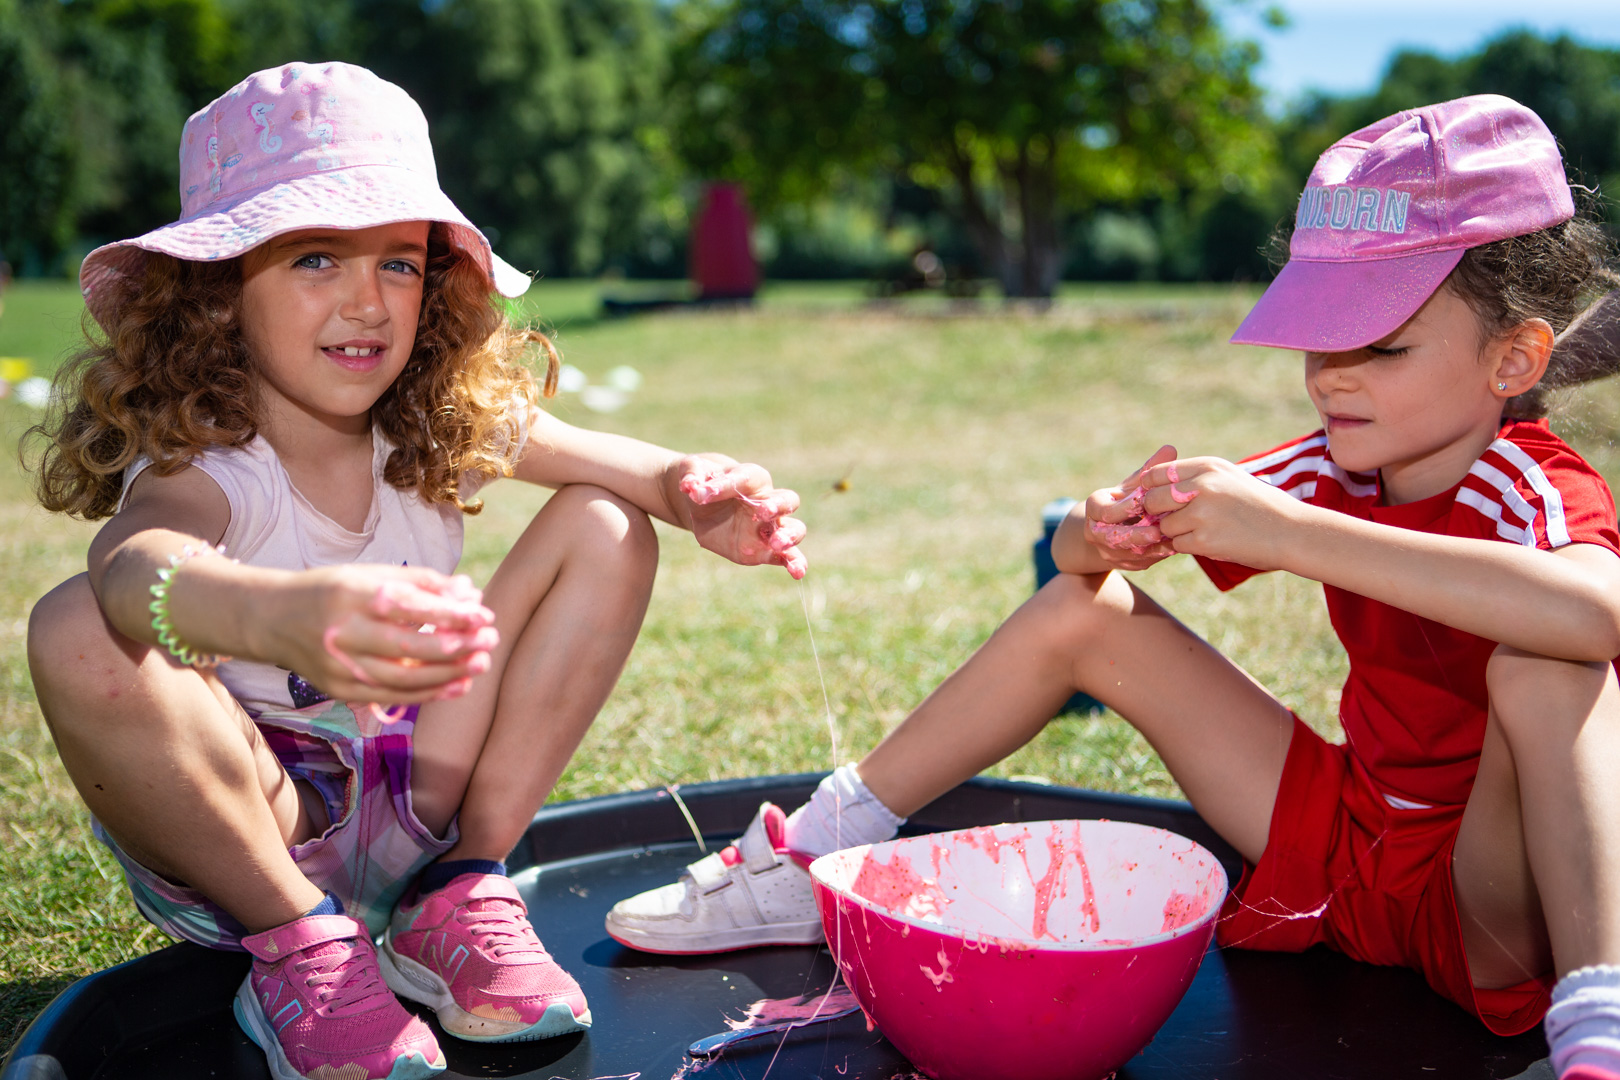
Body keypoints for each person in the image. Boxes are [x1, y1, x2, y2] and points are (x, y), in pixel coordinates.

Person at [606, 95, 1620, 1080]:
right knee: (1090, 617)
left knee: (1551, 667)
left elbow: (1594, 614)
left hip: (1497, 898)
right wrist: (1098, 536)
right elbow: (1089, 570)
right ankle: (821, 850)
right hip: (1353, 839)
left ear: (1514, 358)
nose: (1332, 378)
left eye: (1383, 346)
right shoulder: (1333, 466)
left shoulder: (1528, 484)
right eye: (1322, 336)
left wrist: (1303, 537)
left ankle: (1598, 1018)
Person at [25, 62, 806, 1080]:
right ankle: (299, 950)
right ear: (216, 294)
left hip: (417, 795)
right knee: (76, 625)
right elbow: (131, 569)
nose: (366, 302)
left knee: (608, 524)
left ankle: (460, 892)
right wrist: (274, 618)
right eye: (315, 258)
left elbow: (635, 473)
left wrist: (701, 496)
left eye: (398, 263)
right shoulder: (210, 464)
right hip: (256, 831)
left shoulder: (428, 424)